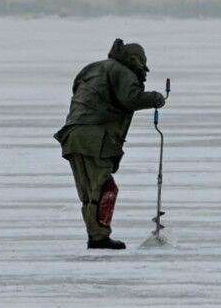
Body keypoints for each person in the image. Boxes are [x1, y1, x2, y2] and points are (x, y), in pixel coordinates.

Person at [55, 38, 165, 249]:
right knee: (104, 188)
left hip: (72, 135)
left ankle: (96, 235)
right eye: (142, 66)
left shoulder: (93, 68)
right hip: (94, 137)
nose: (143, 72)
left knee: (89, 192)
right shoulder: (122, 71)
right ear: (135, 60)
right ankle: (99, 238)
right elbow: (130, 98)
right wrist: (154, 98)